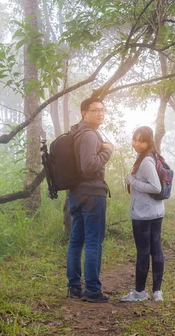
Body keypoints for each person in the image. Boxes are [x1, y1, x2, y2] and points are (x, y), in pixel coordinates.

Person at [66, 97, 114, 303]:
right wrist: (107, 151)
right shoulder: (89, 136)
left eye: (102, 109)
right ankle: (92, 290)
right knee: (93, 242)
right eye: (95, 110)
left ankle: (74, 287)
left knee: (76, 241)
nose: (100, 113)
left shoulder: (77, 133)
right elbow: (88, 166)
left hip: (77, 194)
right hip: (92, 194)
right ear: (84, 113)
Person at [121, 126, 165, 302]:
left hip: (143, 214)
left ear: (149, 142)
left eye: (141, 140)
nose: (136, 144)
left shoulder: (146, 161)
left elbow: (156, 187)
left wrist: (131, 180)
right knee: (156, 250)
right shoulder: (151, 156)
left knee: (143, 252)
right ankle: (157, 292)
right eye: (135, 139)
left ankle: (139, 292)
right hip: (155, 212)